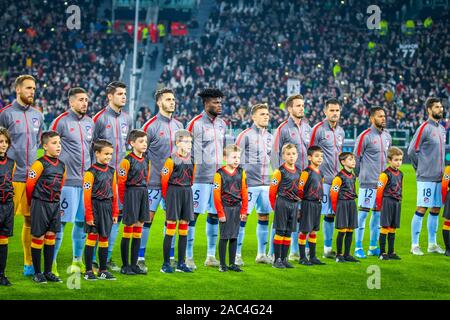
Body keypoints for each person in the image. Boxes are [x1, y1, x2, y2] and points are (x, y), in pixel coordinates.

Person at [0, 75, 43, 277]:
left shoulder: (38, 115)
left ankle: (28, 264)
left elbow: (36, 143)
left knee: (29, 221)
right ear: (18, 90)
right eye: (28, 88)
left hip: (31, 178)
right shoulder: (6, 114)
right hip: (9, 178)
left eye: (33, 88)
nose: (32, 91)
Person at [50, 87, 94, 276]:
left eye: (86, 100)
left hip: (85, 183)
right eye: (81, 100)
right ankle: (51, 263)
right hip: (67, 182)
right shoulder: (60, 122)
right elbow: (50, 148)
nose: (85, 103)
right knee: (61, 223)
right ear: (71, 102)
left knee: (82, 223)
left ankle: (77, 261)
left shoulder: (90, 123)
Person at [140, 88, 183, 271]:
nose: (172, 102)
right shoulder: (150, 126)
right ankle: (139, 257)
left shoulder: (179, 126)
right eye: (168, 99)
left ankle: (171, 256)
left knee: (171, 220)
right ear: (159, 102)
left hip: (174, 184)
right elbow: (140, 154)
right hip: (153, 183)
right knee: (146, 220)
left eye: (173, 99)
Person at [93, 81, 133, 271]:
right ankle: (92, 259)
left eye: (125, 94)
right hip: (101, 176)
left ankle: (106, 257)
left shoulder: (127, 118)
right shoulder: (99, 119)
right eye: (119, 94)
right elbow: (91, 146)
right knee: (96, 218)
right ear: (109, 96)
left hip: (120, 177)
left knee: (116, 217)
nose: (123, 97)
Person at [186, 88, 228, 269]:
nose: (219, 105)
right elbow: (185, 152)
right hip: (199, 179)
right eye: (215, 102)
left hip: (217, 178)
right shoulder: (194, 124)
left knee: (214, 215)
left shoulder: (223, 124)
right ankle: (188, 256)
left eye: (220, 102)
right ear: (206, 103)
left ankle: (210, 256)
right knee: (191, 217)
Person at [271, 94, 311, 261]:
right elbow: (274, 154)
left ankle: (294, 252)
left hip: (304, 179)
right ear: (289, 109)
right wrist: (280, 177)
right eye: (298, 105)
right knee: (281, 219)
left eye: (302, 105)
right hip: (287, 181)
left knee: (298, 216)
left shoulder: (307, 128)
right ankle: (274, 253)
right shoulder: (283, 129)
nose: (301, 108)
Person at [408, 97, 446, 255]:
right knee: (421, 208)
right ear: (429, 110)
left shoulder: (442, 129)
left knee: (436, 209)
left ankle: (432, 244)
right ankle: (414, 245)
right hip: (426, 177)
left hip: (440, 177)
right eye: (437, 107)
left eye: (441, 106)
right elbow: (411, 150)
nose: (441, 109)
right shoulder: (424, 128)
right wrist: (419, 168)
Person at [26, 131, 66, 283]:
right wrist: (34, 202)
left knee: (51, 237)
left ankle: (48, 271)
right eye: (54, 143)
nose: (58, 146)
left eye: (59, 143)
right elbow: (30, 186)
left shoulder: (62, 165)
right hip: (40, 203)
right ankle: (37, 273)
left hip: (54, 205)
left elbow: (60, 185)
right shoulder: (39, 164)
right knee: (38, 236)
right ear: (44, 146)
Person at [235, 103, 272, 265]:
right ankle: (236, 254)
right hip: (249, 184)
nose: (266, 117)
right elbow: (235, 160)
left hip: (266, 183)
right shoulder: (245, 135)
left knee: (264, 217)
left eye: (267, 114)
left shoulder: (270, 137)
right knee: (242, 217)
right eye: (262, 114)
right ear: (253, 117)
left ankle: (261, 254)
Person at [353, 107, 392, 259]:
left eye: (384, 116)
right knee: (362, 216)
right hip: (368, 183)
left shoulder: (387, 136)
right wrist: (358, 176)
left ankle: (373, 246)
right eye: (380, 116)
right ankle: (357, 247)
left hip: (382, 184)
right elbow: (356, 158)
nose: (383, 118)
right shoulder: (365, 136)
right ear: (372, 119)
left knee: (377, 217)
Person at [309, 98, 345, 259]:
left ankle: (328, 249)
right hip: (320, 179)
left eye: (337, 110)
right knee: (315, 213)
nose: (335, 113)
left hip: (336, 179)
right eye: (332, 110)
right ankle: (309, 249)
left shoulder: (341, 131)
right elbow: (310, 152)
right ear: (325, 111)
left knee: (331, 214)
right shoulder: (318, 129)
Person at [83, 139, 119, 281]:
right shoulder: (90, 173)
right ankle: (88, 271)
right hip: (95, 207)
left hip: (107, 208)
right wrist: (89, 215)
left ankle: (103, 270)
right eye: (106, 154)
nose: (109, 157)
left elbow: (114, 193)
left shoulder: (112, 171)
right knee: (92, 238)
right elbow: (86, 196)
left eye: (110, 154)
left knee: (104, 238)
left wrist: (115, 212)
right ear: (97, 153)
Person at [160, 130, 196, 273]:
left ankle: (181, 263)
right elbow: (164, 181)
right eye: (186, 142)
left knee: (184, 227)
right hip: (173, 192)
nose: (189, 145)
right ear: (177, 143)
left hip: (187, 192)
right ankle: (166, 264)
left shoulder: (192, 160)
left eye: (190, 142)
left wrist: (186, 191)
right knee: (171, 227)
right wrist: (168, 198)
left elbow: (192, 179)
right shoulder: (170, 160)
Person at [118, 130, 150, 275]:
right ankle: (125, 266)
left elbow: (147, 177)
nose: (144, 144)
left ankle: (134, 264)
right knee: (128, 229)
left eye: (145, 141)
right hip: (131, 194)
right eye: (141, 141)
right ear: (132, 143)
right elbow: (121, 183)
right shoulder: (127, 161)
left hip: (143, 192)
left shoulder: (146, 159)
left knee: (139, 228)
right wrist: (125, 201)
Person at [213, 144, 248, 272]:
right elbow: (216, 195)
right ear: (225, 158)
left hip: (237, 208)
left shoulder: (241, 172)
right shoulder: (219, 174)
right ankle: (222, 264)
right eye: (234, 157)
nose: (236, 160)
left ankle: (232, 263)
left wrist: (244, 210)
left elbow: (244, 191)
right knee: (224, 237)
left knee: (234, 236)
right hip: (225, 209)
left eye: (238, 157)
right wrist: (220, 213)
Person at [269, 143, 301, 269]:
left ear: (297, 155)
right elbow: (272, 191)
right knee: (280, 231)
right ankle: (276, 260)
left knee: (288, 232)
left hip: (293, 204)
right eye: (288, 154)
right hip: (282, 203)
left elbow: (300, 190)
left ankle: (284, 258)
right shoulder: (279, 172)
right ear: (283, 156)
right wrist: (274, 207)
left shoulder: (299, 172)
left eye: (293, 154)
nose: (291, 156)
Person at [298, 146, 325, 266]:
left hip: (317, 204)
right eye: (317, 156)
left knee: (314, 231)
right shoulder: (306, 172)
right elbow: (299, 189)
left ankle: (313, 256)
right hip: (307, 204)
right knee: (304, 231)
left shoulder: (321, 173)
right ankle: (302, 257)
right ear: (309, 157)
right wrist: (300, 206)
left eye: (321, 156)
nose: (320, 158)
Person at [330, 152, 359, 263]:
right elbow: (333, 192)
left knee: (350, 229)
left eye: (354, 159)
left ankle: (347, 254)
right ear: (343, 162)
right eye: (350, 159)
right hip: (342, 203)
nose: (353, 161)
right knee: (342, 230)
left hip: (351, 203)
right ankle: (339, 255)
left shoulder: (353, 176)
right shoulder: (339, 177)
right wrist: (335, 207)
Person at [375, 147, 404, 260]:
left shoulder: (401, 174)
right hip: (387, 201)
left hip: (397, 202)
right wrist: (379, 205)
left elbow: (400, 187)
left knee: (393, 227)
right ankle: (382, 253)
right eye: (396, 160)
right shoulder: (384, 174)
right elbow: (379, 190)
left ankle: (391, 252)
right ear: (389, 160)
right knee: (385, 226)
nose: (398, 162)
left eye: (400, 160)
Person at [0, 127, 16, 286]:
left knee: (4, 240)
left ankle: (1, 274)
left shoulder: (11, 163)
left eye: (6, 142)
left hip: (7, 206)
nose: (3, 145)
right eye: (0, 142)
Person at [441, 165, 450, 256]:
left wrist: (444, 199)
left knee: (448, 222)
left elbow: (444, 185)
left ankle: (448, 249)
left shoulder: (448, 169)